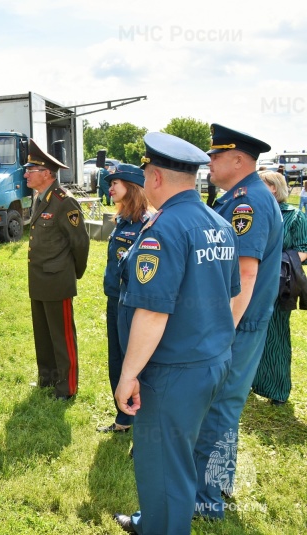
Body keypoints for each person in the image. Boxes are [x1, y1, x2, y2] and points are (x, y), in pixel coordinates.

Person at [112, 132, 240, 535]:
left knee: (165, 470)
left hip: (172, 371)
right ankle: (153, 521)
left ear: (155, 178)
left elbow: (152, 312)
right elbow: (231, 294)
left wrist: (128, 375)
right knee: (179, 458)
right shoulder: (218, 223)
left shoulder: (162, 231)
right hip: (210, 361)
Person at [193, 124, 283, 518]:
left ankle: (206, 498)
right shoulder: (243, 197)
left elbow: (246, 275)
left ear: (238, 159)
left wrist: (221, 332)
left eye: (215, 155)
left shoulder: (248, 203)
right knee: (224, 406)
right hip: (243, 322)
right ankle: (218, 483)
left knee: (219, 408)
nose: (209, 162)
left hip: (238, 324)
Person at [26, 138, 89, 400]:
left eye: (32, 170)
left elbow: (80, 243)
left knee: (61, 337)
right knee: (43, 333)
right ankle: (48, 379)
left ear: (47, 174)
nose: (26, 173)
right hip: (39, 278)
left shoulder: (64, 201)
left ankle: (67, 386)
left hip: (57, 279)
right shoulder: (41, 198)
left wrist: (71, 273)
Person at [98, 164, 151, 434]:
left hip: (134, 305)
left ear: (131, 187)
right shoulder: (122, 220)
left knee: (137, 364)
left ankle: (142, 424)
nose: (111, 187)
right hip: (115, 299)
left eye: (116, 182)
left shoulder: (147, 223)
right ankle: (123, 419)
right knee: (117, 360)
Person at [252, 171, 307, 405]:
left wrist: (277, 260)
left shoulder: (294, 216)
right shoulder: (251, 213)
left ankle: (276, 390)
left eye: (260, 184)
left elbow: (304, 249)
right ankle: (247, 383)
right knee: (248, 334)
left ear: (274, 188)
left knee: (275, 337)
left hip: (277, 283)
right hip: (249, 282)